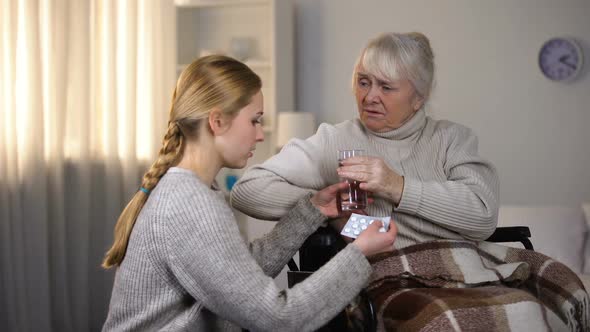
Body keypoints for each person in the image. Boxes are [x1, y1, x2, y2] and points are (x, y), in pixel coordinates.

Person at [100, 55, 397, 332]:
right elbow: (278, 318)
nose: (260, 133)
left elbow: (238, 273)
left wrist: (313, 210)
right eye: (254, 120)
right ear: (217, 121)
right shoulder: (190, 204)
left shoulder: (193, 190)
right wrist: (359, 253)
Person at [231, 32, 500, 249]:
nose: (370, 96)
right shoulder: (335, 140)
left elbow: (483, 217)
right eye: (363, 82)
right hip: (392, 280)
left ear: (419, 97)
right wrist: (326, 206)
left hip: (465, 273)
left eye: (385, 86)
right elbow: (246, 191)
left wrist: (396, 186)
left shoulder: (452, 139)